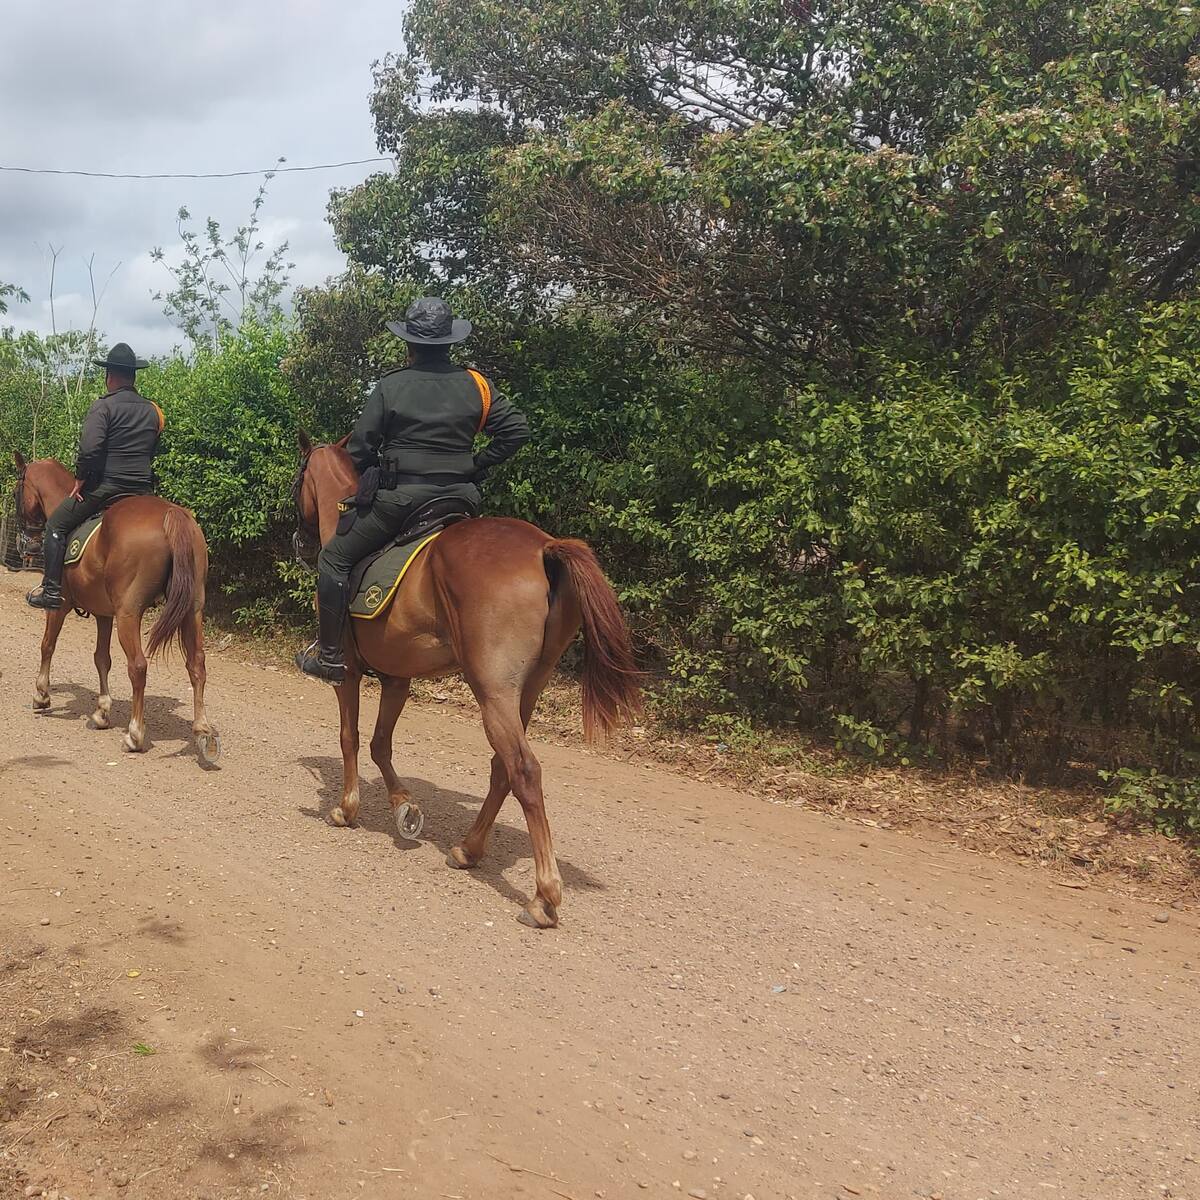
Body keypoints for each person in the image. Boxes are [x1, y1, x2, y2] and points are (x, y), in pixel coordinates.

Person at [296, 297, 530, 684]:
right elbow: (516, 431)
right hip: (460, 500)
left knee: (334, 559)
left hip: (402, 503)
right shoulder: (477, 384)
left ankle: (331, 656)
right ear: (450, 343)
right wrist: (475, 464)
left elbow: (359, 450)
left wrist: (378, 472)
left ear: (409, 344)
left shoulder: (391, 385)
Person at [26, 342, 164, 610]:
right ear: (133, 376)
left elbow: (90, 449)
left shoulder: (103, 407)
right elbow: (153, 448)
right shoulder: (154, 410)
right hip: (144, 491)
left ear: (110, 376)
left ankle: (52, 591)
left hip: (108, 488)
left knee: (55, 525)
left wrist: (80, 479)